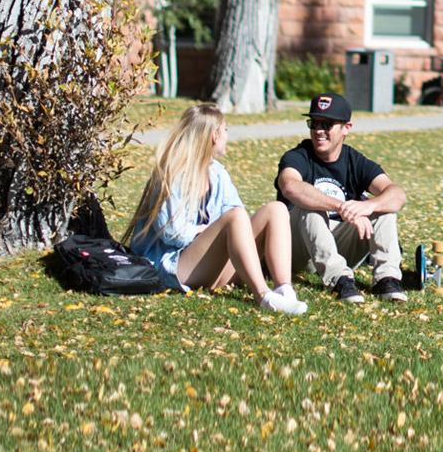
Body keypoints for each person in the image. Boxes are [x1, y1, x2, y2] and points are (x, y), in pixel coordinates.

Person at [123, 103, 307, 314]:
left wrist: (217, 231)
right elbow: (173, 234)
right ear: (214, 135)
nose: (228, 136)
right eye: (225, 130)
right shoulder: (172, 173)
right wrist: (205, 231)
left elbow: (237, 216)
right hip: (174, 269)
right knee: (236, 218)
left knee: (276, 209)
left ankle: (285, 290)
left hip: (212, 268)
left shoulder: (217, 173)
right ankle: (264, 296)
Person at [274, 93, 408, 304]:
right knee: (308, 207)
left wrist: (368, 206)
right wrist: (344, 207)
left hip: (337, 245)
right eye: (314, 123)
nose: (318, 131)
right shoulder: (298, 156)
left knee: (384, 210)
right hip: (296, 249)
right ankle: (340, 280)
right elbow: (290, 186)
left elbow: (397, 195)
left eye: (327, 125)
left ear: (346, 128)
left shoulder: (355, 161)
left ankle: (387, 279)